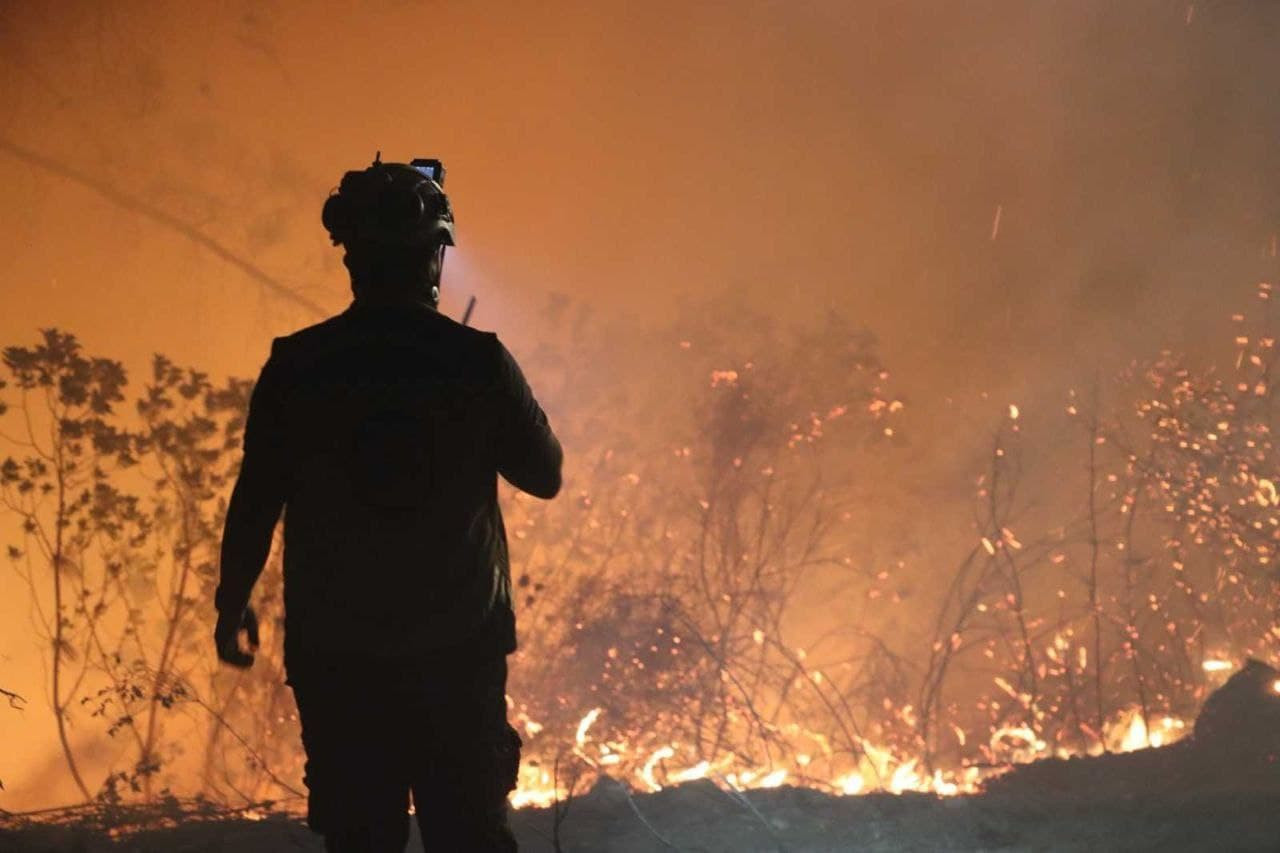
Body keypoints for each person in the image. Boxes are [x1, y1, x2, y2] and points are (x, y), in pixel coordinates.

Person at [213, 154, 562, 852]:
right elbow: (545, 473)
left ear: (351, 260)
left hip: (340, 654)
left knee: (361, 837)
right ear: (436, 254)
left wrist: (232, 603)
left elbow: (256, 499)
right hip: (458, 656)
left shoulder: (298, 366)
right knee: (468, 835)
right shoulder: (477, 362)